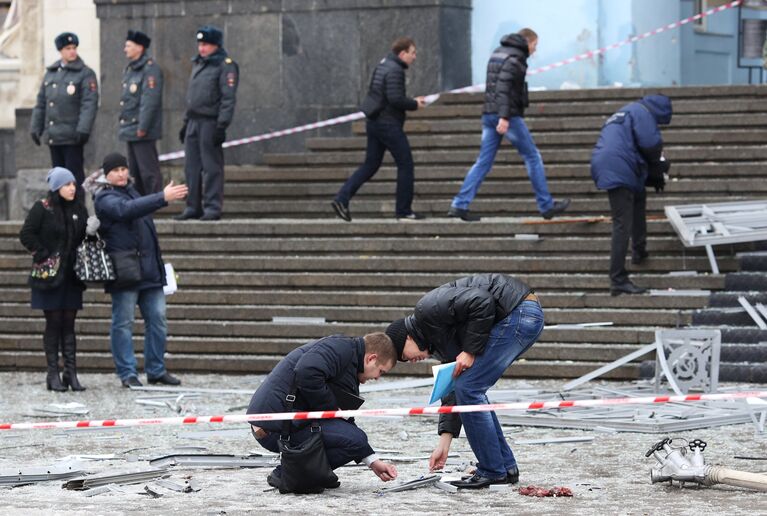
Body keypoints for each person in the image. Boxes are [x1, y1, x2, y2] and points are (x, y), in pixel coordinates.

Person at [385, 273, 543, 489]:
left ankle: (492, 470)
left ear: (407, 337)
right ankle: (505, 467)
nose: (410, 361)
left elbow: (482, 302)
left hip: (518, 311)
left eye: (404, 356)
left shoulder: (426, 309)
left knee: (470, 387)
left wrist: (469, 350)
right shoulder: (439, 341)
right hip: (520, 314)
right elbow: (453, 392)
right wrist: (444, 442)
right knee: (468, 387)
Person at [247, 332, 399, 489]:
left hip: (283, 422)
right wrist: (331, 408)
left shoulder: (348, 358)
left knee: (356, 440)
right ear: (371, 358)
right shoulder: (341, 349)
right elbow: (307, 372)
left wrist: (372, 461)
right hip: (273, 428)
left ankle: (307, 476)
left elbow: (344, 419)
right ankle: (287, 474)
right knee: (355, 440)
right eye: (381, 371)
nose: (378, 378)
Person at [447, 28, 569, 222]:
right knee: (532, 156)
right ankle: (546, 206)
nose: (535, 50)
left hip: (489, 114)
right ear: (527, 42)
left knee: (483, 161)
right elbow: (503, 88)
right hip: (506, 115)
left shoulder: (498, 52)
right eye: (535, 45)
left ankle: (459, 204)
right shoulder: (515, 58)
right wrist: (504, 117)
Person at [92, 152, 188, 387]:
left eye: (124, 169)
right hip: (125, 271)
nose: (122, 173)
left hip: (149, 271)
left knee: (158, 320)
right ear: (107, 175)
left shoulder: (132, 190)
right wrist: (162, 197)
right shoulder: (104, 197)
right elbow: (127, 210)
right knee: (123, 324)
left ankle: (156, 370)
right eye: (115, 170)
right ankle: (127, 373)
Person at [332, 37, 426, 222]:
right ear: (402, 53)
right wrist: (415, 104)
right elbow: (395, 99)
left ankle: (342, 198)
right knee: (406, 164)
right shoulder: (395, 70)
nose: (415, 57)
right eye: (412, 53)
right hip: (388, 124)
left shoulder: (384, 64)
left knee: (371, 164)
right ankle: (404, 210)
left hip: (374, 121)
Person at [19, 167, 95, 391]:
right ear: (56, 188)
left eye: (73, 184)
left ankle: (70, 373)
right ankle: (52, 373)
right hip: (48, 276)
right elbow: (26, 234)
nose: (72, 188)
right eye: (66, 185)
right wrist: (44, 254)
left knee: (69, 324)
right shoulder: (42, 208)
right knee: (53, 323)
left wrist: (90, 232)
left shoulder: (79, 209)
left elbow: (83, 241)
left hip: (71, 276)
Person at [590, 94, 672, 296]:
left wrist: (650, 174)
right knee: (622, 223)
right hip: (619, 167)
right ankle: (618, 279)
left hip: (608, 162)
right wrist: (659, 167)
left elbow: (631, 147)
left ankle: (639, 250)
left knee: (638, 197)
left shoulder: (625, 111)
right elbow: (650, 144)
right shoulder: (642, 112)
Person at [176, 25, 239, 221]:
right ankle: (193, 206)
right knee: (191, 167)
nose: (202, 49)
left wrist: (222, 126)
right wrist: (186, 123)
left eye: (206, 45)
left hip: (211, 122)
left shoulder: (225, 65)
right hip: (194, 121)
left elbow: (228, 99)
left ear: (216, 45)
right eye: (200, 44)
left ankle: (212, 206)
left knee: (211, 167)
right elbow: (193, 97)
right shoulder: (199, 64)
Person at [30, 32, 99, 194]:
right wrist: (35, 126)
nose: (72, 51)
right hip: (54, 136)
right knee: (58, 179)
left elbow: (89, 103)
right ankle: (61, 214)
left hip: (72, 136)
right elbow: (41, 103)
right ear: (60, 51)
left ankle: (78, 213)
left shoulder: (85, 73)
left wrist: (83, 129)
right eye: (68, 48)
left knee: (74, 178)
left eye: (74, 48)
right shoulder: (51, 73)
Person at [119, 30, 164, 196]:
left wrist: (143, 126)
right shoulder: (130, 70)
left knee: (148, 170)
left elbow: (149, 101)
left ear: (139, 48)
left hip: (141, 129)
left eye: (128, 46)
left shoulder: (150, 70)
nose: (125, 49)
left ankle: (156, 201)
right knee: (135, 172)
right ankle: (140, 203)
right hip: (130, 128)